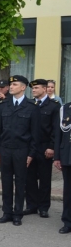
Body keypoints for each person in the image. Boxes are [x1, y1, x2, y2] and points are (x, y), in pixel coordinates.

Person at [0, 75, 40, 226]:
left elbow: (35, 134)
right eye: (10, 84)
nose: (11, 87)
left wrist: (31, 154)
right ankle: (7, 212)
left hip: (22, 150)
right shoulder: (3, 106)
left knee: (20, 183)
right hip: (5, 150)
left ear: (23, 87)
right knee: (6, 182)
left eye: (14, 84)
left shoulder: (31, 107)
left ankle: (18, 213)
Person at [24, 79, 60, 218]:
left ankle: (43, 207)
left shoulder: (53, 106)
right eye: (32, 88)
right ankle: (31, 205)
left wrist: (52, 147)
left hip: (45, 147)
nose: (33, 90)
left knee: (45, 178)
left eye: (36, 88)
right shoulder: (30, 105)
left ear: (45, 89)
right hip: (30, 147)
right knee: (30, 178)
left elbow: (55, 129)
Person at [54, 100, 71, 233]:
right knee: (68, 191)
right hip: (68, 155)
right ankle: (68, 221)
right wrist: (57, 157)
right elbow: (58, 133)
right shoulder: (65, 108)